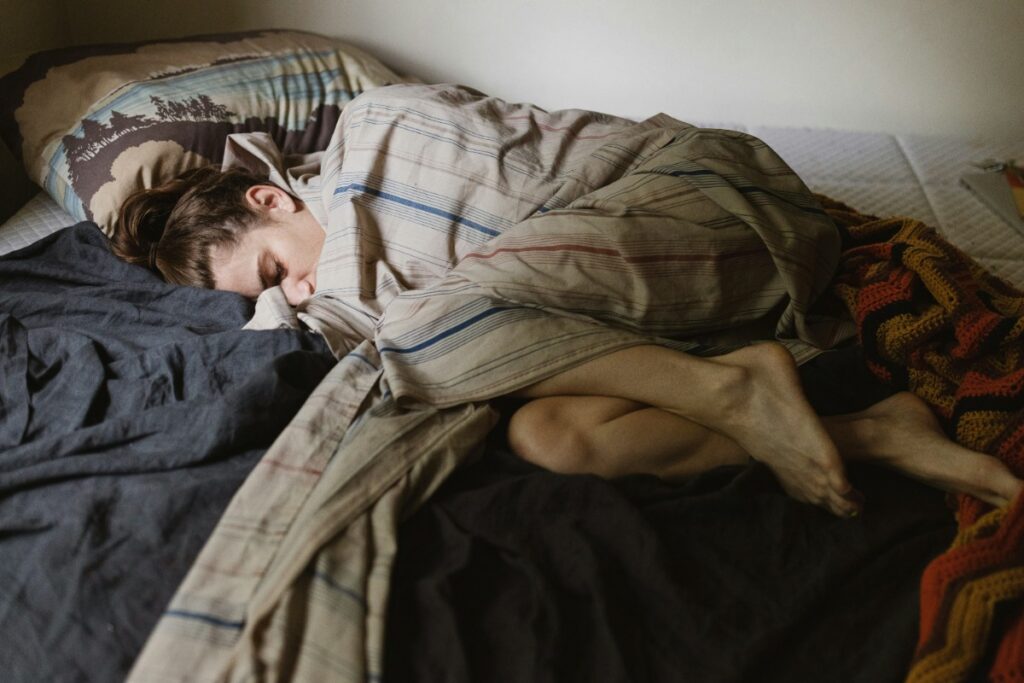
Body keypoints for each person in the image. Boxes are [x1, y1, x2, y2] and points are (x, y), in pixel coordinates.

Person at [112, 166, 1024, 519]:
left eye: (276, 272)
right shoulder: (339, 291)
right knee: (542, 438)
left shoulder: (378, 142)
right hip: (578, 305)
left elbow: (520, 198)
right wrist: (283, 309)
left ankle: (735, 391)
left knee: (421, 331)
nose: (300, 295)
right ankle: (874, 431)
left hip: (702, 203)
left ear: (271, 199)